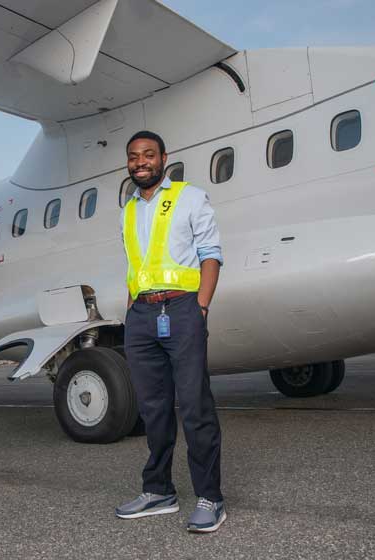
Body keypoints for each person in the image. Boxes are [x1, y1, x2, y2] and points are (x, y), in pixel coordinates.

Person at [115, 130, 225, 533]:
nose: (140, 161)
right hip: (142, 316)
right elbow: (135, 267)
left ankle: (210, 497)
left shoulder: (189, 197)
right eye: (133, 157)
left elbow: (211, 254)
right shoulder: (127, 210)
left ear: (163, 157)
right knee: (153, 409)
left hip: (182, 309)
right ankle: (158, 490)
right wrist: (131, 312)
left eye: (147, 154)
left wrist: (200, 307)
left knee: (195, 407)